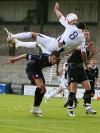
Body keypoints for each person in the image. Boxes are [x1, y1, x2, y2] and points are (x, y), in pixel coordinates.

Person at [4, 2, 87, 66]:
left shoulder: (70, 26)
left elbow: (60, 16)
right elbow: (83, 53)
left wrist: (56, 9)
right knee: (38, 44)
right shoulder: (82, 39)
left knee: (33, 35)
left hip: (53, 44)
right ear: (83, 29)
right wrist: (85, 63)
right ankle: (19, 43)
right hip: (54, 53)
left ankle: (11, 36)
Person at [7, 51, 60, 116]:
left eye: (56, 59)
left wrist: (57, 70)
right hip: (31, 69)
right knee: (41, 86)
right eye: (54, 58)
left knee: (44, 90)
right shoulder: (41, 58)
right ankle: (35, 107)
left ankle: (35, 107)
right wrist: (14, 59)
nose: (55, 61)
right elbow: (26, 55)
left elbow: (58, 62)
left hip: (38, 71)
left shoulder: (57, 60)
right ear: (50, 56)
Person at [63, 32, 98, 116]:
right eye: (85, 34)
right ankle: (70, 110)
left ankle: (88, 107)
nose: (86, 36)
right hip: (73, 68)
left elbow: (85, 58)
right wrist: (86, 47)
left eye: (88, 35)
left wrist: (92, 54)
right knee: (73, 90)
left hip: (80, 68)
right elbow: (77, 49)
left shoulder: (86, 47)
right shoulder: (77, 42)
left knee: (88, 87)